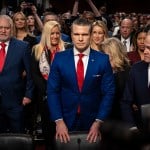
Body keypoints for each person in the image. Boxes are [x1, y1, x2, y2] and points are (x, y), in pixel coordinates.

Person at [47, 18, 115, 143]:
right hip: (65, 118)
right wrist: (58, 120)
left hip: (93, 119)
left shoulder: (103, 60)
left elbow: (109, 93)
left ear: (90, 36)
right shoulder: (59, 58)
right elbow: (52, 91)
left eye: (84, 34)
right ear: (71, 35)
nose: (80, 38)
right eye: (76, 34)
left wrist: (98, 121)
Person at [31, 20, 72, 149]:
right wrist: (50, 90)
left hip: (65, 97)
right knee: (48, 132)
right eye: (51, 33)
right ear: (46, 35)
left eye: (57, 33)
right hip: (45, 97)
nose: (55, 36)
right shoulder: (36, 50)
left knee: (65, 133)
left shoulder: (68, 48)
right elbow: (35, 75)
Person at [0, 15, 34, 133]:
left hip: (16, 102)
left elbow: (31, 74)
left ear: (11, 28)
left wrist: (28, 95)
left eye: (6, 28)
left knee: (17, 137)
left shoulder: (22, 47)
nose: (3, 31)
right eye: (0, 27)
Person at [121, 33, 150, 130]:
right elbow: (125, 102)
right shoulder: (136, 68)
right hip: (140, 130)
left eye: (149, 48)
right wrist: (132, 127)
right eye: (145, 47)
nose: (145, 51)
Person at [101, 37, 130, 120]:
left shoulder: (127, 72)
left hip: (119, 119)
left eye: (104, 53)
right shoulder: (105, 69)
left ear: (113, 53)